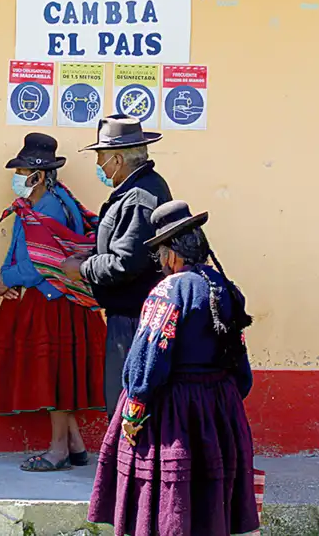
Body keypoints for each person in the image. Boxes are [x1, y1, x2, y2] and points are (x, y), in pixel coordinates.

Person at [88, 201, 259, 536]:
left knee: (168, 501)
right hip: (220, 406)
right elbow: (239, 361)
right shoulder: (226, 287)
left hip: (173, 413)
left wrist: (135, 409)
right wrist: (223, 402)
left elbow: (150, 357)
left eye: (160, 254)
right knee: (208, 498)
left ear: (170, 254)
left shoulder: (169, 290)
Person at [0, 133, 107, 472]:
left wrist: (4, 280)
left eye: (23, 172)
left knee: (56, 378)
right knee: (59, 374)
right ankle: (76, 445)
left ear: (38, 176)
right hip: (53, 298)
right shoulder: (46, 201)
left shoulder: (48, 206)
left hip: (54, 301)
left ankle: (57, 452)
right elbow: (24, 252)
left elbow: (42, 262)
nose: (18, 178)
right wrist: (7, 278)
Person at [61, 114, 172, 420]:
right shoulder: (136, 189)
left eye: (101, 158)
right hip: (128, 313)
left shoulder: (139, 197)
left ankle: (129, 467)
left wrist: (82, 268)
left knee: (128, 406)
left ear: (118, 159)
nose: (99, 166)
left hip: (133, 318)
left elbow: (125, 263)